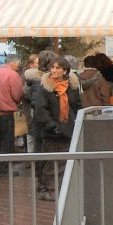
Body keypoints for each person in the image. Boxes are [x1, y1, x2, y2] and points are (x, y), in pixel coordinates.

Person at [32, 56, 81, 201]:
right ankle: (46, 188)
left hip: (68, 128)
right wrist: (51, 125)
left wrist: (76, 122)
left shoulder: (72, 87)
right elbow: (40, 109)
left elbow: (77, 105)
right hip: (51, 131)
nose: (54, 70)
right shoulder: (45, 87)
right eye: (52, 67)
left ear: (65, 71)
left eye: (57, 68)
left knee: (64, 161)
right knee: (50, 161)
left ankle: (59, 188)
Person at [0, 58, 24, 174]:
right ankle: (4, 169)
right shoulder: (13, 75)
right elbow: (17, 95)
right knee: (6, 142)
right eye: (17, 64)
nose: (18, 67)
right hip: (7, 113)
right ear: (12, 63)